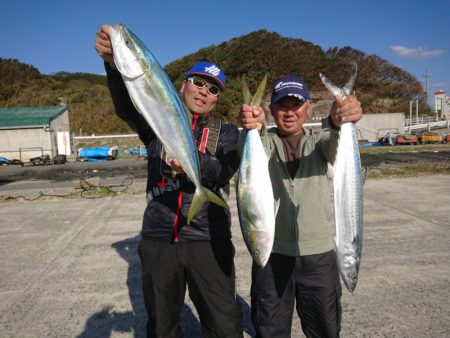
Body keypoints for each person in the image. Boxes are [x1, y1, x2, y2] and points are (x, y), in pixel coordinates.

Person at [94, 24, 243, 338]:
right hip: (159, 239)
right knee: (162, 327)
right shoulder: (153, 121)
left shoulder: (227, 133)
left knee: (224, 326)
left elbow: (223, 170)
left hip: (208, 240)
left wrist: (193, 164)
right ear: (184, 84)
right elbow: (126, 104)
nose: (203, 91)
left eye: (212, 88)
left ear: (217, 98)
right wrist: (113, 64)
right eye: (198, 82)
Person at [239, 75, 363, 338]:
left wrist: (338, 122)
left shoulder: (319, 141)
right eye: (282, 105)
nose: (289, 112)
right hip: (271, 255)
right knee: (269, 330)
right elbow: (249, 152)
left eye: (295, 105)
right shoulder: (265, 143)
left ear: (308, 107)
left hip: (319, 257)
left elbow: (335, 148)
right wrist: (254, 126)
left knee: (325, 330)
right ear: (271, 110)